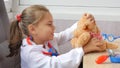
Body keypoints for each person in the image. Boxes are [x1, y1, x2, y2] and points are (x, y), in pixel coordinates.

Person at [7, 5, 104, 68]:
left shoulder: (44, 40)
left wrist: (83, 23)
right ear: (33, 29)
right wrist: (83, 49)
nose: (54, 27)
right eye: (49, 24)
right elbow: (54, 64)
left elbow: (64, 35)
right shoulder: (30, 53)